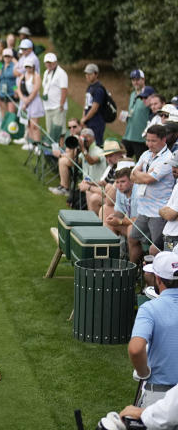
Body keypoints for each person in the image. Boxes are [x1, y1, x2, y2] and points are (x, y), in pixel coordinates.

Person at [129, 251, 178, 408]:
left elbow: (136, 349)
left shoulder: (149, 309)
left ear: (158, 279)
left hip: (160, 397)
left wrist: (144, 372)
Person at [130, 124, 176, 259]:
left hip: (158, 212)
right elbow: (132, 175)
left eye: (153, 141)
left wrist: (142, 175)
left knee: (157, 249)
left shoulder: (168, 159)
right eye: (148, 140)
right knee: (133, 238)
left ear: (164, 140)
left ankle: (158, 277)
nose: (149, 144)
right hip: (143, 210)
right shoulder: (146, 154)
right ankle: (134, 272)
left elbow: (149, 179)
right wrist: (142, 176)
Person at [41, 53, 68, 142]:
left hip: (58, 107)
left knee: (59, 131)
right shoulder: (46, 72)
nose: (49, 64)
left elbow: (64, 89)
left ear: (55, 62)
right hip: (48, 106)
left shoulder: (61, 73)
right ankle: (53, 151)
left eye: (51, 62)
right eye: (47, 63)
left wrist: (61, 104)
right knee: (50, 131)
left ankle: (61, 150)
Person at [83, 63, 108, 146]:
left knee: (96, 144)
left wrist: (85, 119)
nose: (87, 76)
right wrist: (84, 118)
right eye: (86, 74)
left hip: (97, 122)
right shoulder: (90, 87)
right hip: (89, 122)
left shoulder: (99, 89)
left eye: (90, 74)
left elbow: (94, 108)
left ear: (96, 74)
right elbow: (86, 105)